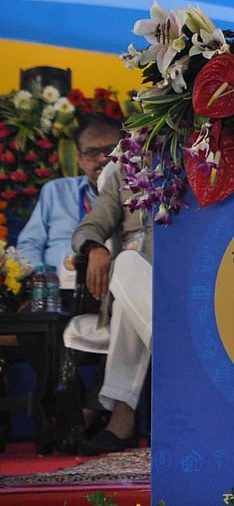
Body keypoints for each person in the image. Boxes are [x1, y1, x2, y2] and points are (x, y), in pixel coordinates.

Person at [69, 161, 152, 455]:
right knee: (127, 265)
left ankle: (121, 418)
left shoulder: (201, 158)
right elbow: (91, 226)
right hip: (132, 276)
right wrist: (95, 248)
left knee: (126, 303)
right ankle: (178, 354)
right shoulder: (124, 169)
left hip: (185, 280)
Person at [17, 113, 123, 308]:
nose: (102, 159)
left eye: (110, 150)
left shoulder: (134, 195)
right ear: (79, 157)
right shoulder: (55, 191)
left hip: (112, 294)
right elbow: (29, 244)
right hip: (56, 297)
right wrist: (41, 281)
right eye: (92, 152)